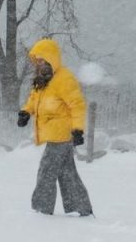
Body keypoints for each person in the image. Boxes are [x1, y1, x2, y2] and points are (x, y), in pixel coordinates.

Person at [17, 37, 94, 217]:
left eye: (42, 60)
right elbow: (34, 100)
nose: (39, 63)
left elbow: (77, 105)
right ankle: (80, 208)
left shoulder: (64, 79)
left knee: (47, 170)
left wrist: (77, 129)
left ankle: (41, 210)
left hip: (61, 134)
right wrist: (26, 112)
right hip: (55, 134)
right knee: (67, 173)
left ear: (51, 58)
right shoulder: (43, 80)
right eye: (37, 61)